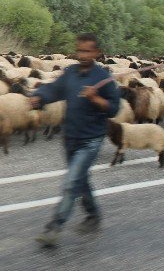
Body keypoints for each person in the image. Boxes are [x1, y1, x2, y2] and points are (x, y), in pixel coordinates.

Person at [31, 33, 121, 247]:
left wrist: (95, 98)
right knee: (80, 180)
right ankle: (94, 214)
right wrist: (40, 97)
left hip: (91, 139)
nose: (83, 55)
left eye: (88, 51)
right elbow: (54, 89)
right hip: (70, 137)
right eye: (80, 50)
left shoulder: (104, 78)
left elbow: (114, 109)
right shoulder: (70, 73)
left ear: (96, 53)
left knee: (71, 183)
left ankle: (54, 227)